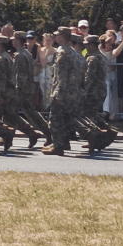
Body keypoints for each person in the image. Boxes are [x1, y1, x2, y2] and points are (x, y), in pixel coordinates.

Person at [43, 27, 75, 156]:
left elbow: (61, 75)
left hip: (61, 90)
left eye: (58, 35)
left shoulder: (62, 52)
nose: (56, 38)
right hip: (70, 90)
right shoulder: (71, 51)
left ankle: (58, 145)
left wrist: (58, 92)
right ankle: (64, 142)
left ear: (64, 36)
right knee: (66, 118)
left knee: (55, 119)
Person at [38, 33, 56, 110]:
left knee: (49, 90)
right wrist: (46, 53)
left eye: (49, 40)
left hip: (50, 72)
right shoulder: (41, 50)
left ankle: (49, 107)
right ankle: (43, 108)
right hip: (42, 72)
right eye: (46, 40)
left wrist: (48, 52)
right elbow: (42, 63)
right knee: (42, 91)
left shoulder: (55, 50)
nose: (48, 42)